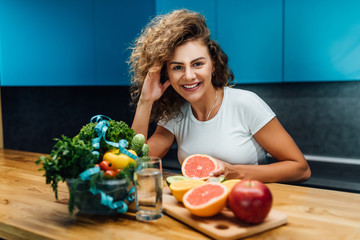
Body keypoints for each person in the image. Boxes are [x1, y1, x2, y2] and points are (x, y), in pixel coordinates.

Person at [129, 9, 311, 183]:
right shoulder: (175, 115)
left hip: (249, 203)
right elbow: (134, 163)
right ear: (166, 74)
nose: (189, 75)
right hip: (201, 208)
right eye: (177, 67)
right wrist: (146, 101)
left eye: (198, 64)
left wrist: (235, 172)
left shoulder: (245, 104)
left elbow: (301, 169)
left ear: (213, 64)